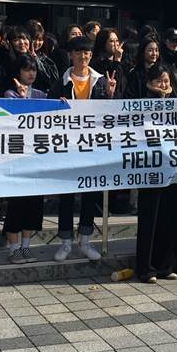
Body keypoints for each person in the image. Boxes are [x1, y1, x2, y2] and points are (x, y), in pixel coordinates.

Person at [48, 36, 116, 261]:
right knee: (67, 195)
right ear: (70, 55)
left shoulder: (101, 81)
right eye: (78, 52)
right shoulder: (61, 81)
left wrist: (111, 95)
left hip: (93, 148)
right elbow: (48, 112)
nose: (82, 56)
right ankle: (65, 243)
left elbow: (111, 114)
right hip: (68, 148)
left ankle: (85, 241)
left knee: (90, 194)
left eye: (86, 52)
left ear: (91, 55)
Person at [135, 64, 177, 283]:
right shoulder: (141, 102)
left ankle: (165, 265)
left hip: (171, 168)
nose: (163, 85)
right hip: (149, 169)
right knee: (149, 219)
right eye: (159, 81)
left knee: (169, 217)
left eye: (166, 81)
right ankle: (145, 268)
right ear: (149, 83)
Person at [0, 55, 47, 265]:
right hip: (17, 158)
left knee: (33, 205)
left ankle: (26, 247)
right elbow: (13, 118)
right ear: (18, 72)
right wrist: (22, 98)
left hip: (36, 158)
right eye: (26, 69)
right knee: (16, 205)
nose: (31, 73)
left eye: (33, 69)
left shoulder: (41, 94)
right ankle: (13, 248)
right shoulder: (10, 93)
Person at [91, 28, 128, 98]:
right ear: (103, 43)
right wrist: (117, 60)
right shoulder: (98, 63)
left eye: (117, 41)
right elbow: (115, 81)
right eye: (111, 41)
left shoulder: (123, 61)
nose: (116, 44)